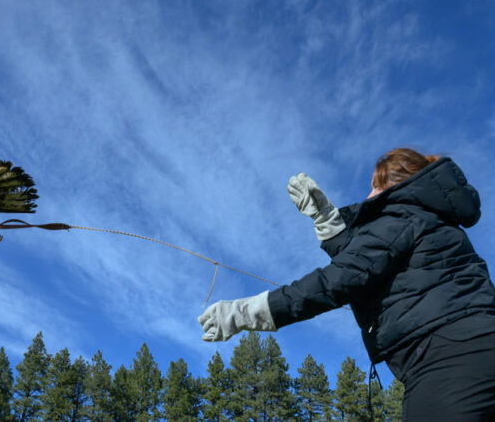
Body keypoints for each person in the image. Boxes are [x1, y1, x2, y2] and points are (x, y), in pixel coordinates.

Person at [198, 148, 495, 420]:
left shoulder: (401, 217)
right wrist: (327, 221)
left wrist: (250, 311)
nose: (369, 194)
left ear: (395, 185)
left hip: (448, 357)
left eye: (375, 186)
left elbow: (341, 278)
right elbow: (368, 262)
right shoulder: (429, 220)